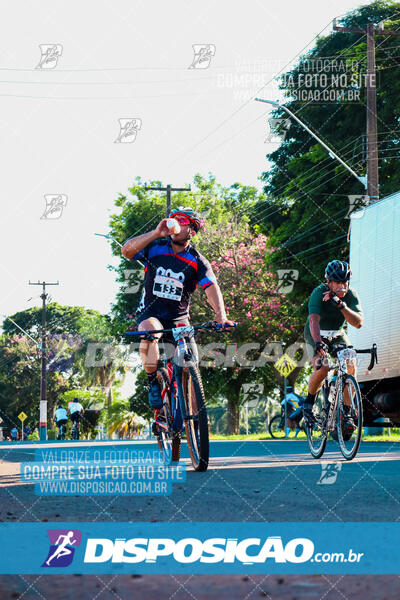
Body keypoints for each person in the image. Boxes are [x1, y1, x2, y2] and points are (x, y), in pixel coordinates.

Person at [121, 207, 234, 409]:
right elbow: (126, 251)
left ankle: (195, 420)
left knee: (191, 365)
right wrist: (156, 232)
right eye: (174, 220)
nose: (176, 224)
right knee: (148, 332)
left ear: (192, 230)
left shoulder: (198, 261)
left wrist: (221, 316)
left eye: (182, 221)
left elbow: (211, 288)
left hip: (179, 319)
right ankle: (153, 382)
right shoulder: (155, 247)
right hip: (151, 314)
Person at [303, 260, 363, 428]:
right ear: (328, 282)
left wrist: (340, 304)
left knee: (351, 364)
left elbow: (358, 323)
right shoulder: (318, 292)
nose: (341, 286)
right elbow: (313, 320)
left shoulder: (351, 295)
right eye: (336, 282)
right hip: (315, 333)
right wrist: (318, 343)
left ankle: (347, 411)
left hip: (337, 334)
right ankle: (308, 403)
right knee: (323, 367)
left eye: (344, 282)